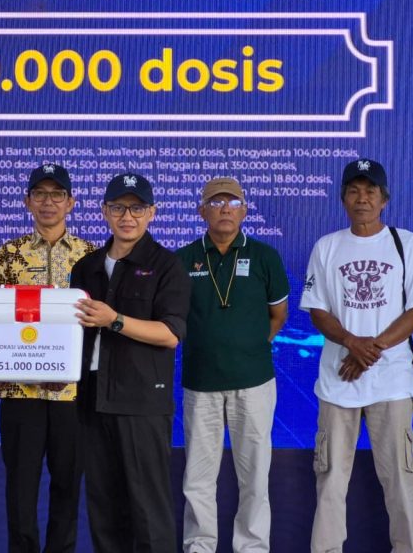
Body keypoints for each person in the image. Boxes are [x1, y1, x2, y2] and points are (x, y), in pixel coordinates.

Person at [300, 158, 413, 553]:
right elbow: (317, 310)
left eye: (370, 191)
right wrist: (350, 341)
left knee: (401, 482)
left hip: (391, 381)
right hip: (338, 381)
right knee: (329, 480)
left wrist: (368, 349)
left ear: (384, 199)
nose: (362, 198)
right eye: (354, 191)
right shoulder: (327, 246)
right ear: (343, 198)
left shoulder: (406, 243)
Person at [71, 172, 190, 552]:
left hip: (141, 403)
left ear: (152, 212)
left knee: (148, 510)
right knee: (104, 509)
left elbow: (170, 334)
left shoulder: (167, 265)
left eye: (137, 208)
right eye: (119, 207)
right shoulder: (86, 267)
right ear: (104, 211)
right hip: (93, 400)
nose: (127, 216)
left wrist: (115, 320)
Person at [176, 177, 289, 553]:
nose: (225, 208)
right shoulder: (182, 259)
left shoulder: (264, 256)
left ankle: (252, 547)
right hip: (200, 383)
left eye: (233, 202)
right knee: (197, 478)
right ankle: (199, 546)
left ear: (244, 210)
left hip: (254, 382)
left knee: (254, 476)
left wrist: (246, 347)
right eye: (216, 202)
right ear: (201, 211)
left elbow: (278, 315)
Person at [0, 163, 96, 553]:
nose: (48, 202)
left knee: (68, 485)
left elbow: (95, 324)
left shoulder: (89, 255)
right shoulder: (9, 253)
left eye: (57, 195)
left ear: (71, 202)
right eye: (40, 194)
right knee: (21, 488)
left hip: (72, 394)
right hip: (21, 392)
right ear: (27, 201)